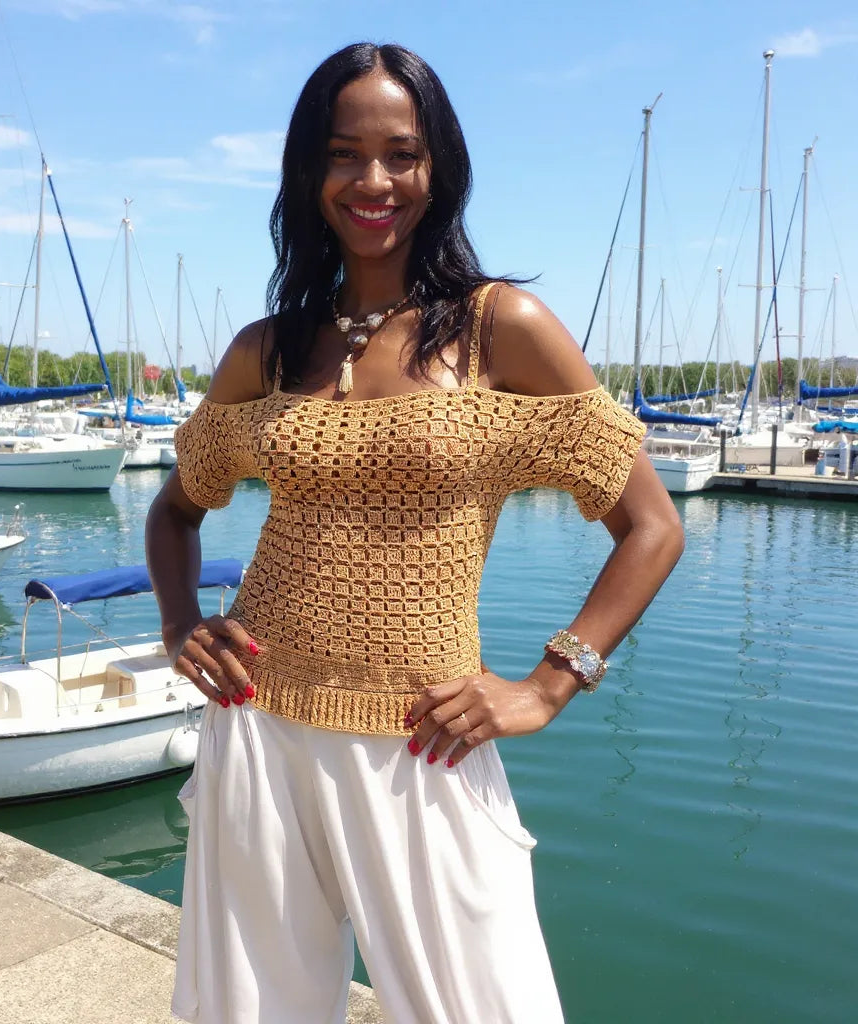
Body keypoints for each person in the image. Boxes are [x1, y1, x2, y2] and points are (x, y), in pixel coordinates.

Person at [146, 42, 684, 1024]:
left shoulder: (499, 328)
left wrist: (548, 684)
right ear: (308, 172)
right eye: (343, 154)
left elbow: (650, 526)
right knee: (248, 1011)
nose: (374, 180)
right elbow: (176, 507)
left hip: (424, 734)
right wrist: (182, 624)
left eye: (402, 153)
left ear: (439, 169)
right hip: (255, 721)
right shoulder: (268, 350)